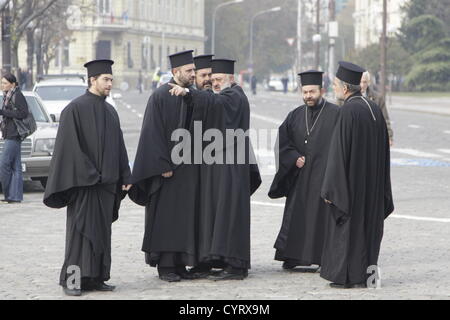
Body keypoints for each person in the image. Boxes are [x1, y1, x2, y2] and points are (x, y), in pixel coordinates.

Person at [43, 59, 132, 296]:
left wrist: (125, 174)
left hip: (107, 186)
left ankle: (96, 278)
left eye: (112, 80)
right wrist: (92, 174)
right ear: (93, 80)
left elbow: (119, 146)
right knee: (79, 235)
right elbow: (69, 149)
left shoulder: (110, 111)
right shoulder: (74, 109)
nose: (110, 84)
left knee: (102, 234)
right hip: (85, 185)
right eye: (106, 79)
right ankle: (72, 281)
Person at [169, 59, 262, 281]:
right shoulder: (222, 96)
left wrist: (189, 94)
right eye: (213, 80)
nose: (215, 83)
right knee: (214, 214)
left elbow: (215, 105)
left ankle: (236, 266)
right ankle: (213, 259)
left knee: (229, 214)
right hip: (217, 166)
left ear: (232, 79)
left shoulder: (235, 96)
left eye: (219, 79)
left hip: (232, 168)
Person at [320, 61, 394, 289]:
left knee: (350, 232)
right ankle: (367, 276)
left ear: (344, 88)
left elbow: (338, 154)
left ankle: (348, 277)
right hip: (372, 185)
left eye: (334, 85)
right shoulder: (373, 108)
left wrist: (331, 189)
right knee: (369, 232)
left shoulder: (348, 111)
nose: (333, 89)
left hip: (351, 186)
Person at [129, 50, 200, 283]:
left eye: (193, 71)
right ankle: (166, 265)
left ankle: (181, 263)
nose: (192, 74)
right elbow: (152, 133)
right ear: (175, 72)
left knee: (186, 217)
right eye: (188, 71)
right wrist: (162, 164)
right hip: (167, 171)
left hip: (189, 170)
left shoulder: (194, 95)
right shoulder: (159, 96)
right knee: (167, 218)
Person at [268, 70, 340, 272]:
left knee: (321, 218)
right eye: (305, 92)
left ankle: (321, 257)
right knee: (296, 217)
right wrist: (292, 158)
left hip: (324, 177)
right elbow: (283, 143)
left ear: (322, 91)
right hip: (300, 178)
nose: (308, 96)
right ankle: (292, 255)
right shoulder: (295, 115)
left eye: (312, 92)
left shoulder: (336, 114)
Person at [0, 73, 29, 204]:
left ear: (13, 84)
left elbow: (23, 113)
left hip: (14, 134)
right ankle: (15, 196)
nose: (2, 85)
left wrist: (3, 112)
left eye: (5, 83)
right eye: (2, 83)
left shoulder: (17, 95)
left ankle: (8, 194)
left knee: (4, 164)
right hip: (9, 133)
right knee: (16, 166)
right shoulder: (7, 95)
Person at [361, 71, 394, 146]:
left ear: (368, 82)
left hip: (373, 137)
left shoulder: (378, 98)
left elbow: (385, 119)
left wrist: (389, 136)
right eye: (359, 82)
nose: (362, 85)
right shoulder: (348, 97)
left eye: (364, 82)